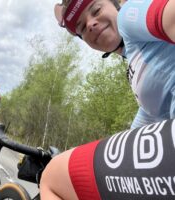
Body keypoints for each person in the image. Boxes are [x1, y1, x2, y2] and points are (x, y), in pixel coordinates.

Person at [39, 0, 175, 199]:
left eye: (96, 10)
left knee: (52, 176)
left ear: (118, 3)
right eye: (82, 27)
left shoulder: (130, 14)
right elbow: (140, 127)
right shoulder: (136, 61)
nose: (91, 24)